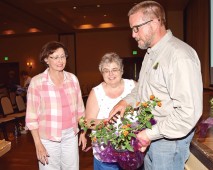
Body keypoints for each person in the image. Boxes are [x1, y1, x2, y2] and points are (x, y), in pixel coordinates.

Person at [109, 1, 203, 170]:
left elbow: (188, 112)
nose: (133, 34)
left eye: (136, 28)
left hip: (169, 142)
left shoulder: (179, 56)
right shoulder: (151, 54)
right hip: (153, 135)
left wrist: (149, 134)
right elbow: (142, 89)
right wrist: (125, 102)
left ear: (154, 22)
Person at [25, 41, 87, 170]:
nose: (60, 60)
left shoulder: (72, 79)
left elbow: (80, 110)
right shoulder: (37, 82)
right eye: (55, 57)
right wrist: (38, 144)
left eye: (63, 56)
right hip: (48, 138)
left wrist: (83, 132)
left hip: (71, 135)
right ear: (46, 59)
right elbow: (31, 117)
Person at [85, 52, 136, 170]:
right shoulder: (96, 92)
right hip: (105, 153)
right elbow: (88, 121)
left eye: (114, 69)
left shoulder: (133, 86)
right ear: (101, 73)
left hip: (132, 152)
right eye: (106, 70)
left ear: (122, 70)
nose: (111, 74)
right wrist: (106, 122)